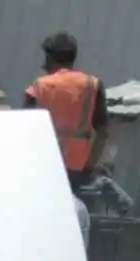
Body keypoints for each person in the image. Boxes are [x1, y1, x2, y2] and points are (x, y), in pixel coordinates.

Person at [25, 32, 108, 196]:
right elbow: (103, 133)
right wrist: (89, 167)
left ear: (51, 58)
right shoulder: (92, 85)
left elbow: (24, 131)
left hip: (43, 167)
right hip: (76, 170)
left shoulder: (39, 86)